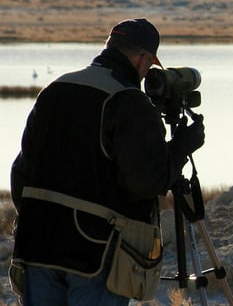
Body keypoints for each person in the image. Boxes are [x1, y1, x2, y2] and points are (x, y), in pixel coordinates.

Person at [9, 18, 206, 305]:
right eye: (149, 65)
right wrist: (181, 147)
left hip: (37, 244)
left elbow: (21, 172)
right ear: (143, 58)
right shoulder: (129, 101)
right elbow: (146, 182)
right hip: (94, 253)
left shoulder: (55, 89)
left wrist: (40, 215)